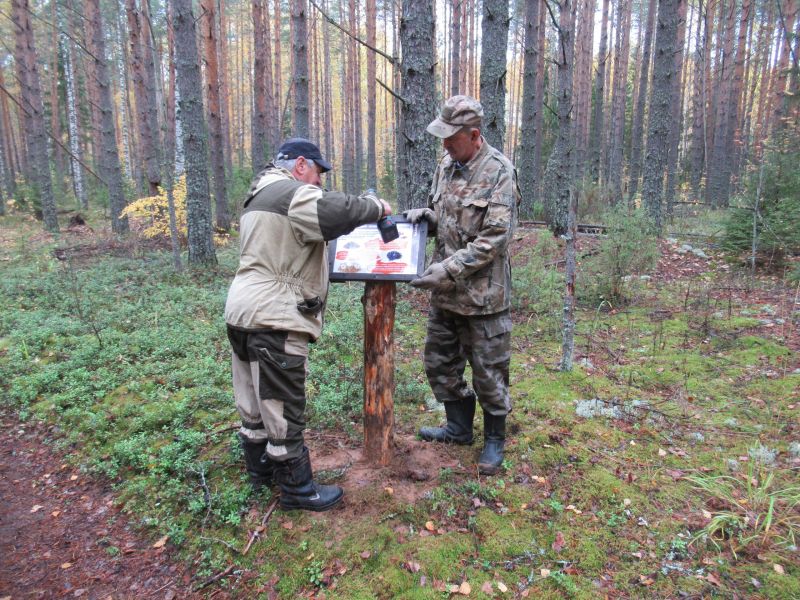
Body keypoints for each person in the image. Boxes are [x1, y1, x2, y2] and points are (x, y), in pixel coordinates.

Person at [225, 138, 391, 511]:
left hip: (242, 309)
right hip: (273, 315)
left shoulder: (260, 194)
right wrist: (377, 206)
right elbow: (334, 211)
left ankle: (260, 471)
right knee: (282, 404)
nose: (319, 182)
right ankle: (298, 490)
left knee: (253, 399)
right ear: (301, 165)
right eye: (318, 173)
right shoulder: (290, 193)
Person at [406, 96, 520, 475]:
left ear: (474, 135)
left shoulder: (500, 171)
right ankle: (457, 428)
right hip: (446, 294)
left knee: (489, 372)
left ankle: (494, 440)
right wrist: (429, 218)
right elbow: (449, 219)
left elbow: (493, 238)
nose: (445, 145)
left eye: (451, 138)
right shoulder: (448, 165)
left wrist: (449, 269)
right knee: (439, 364)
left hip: (483, 297)